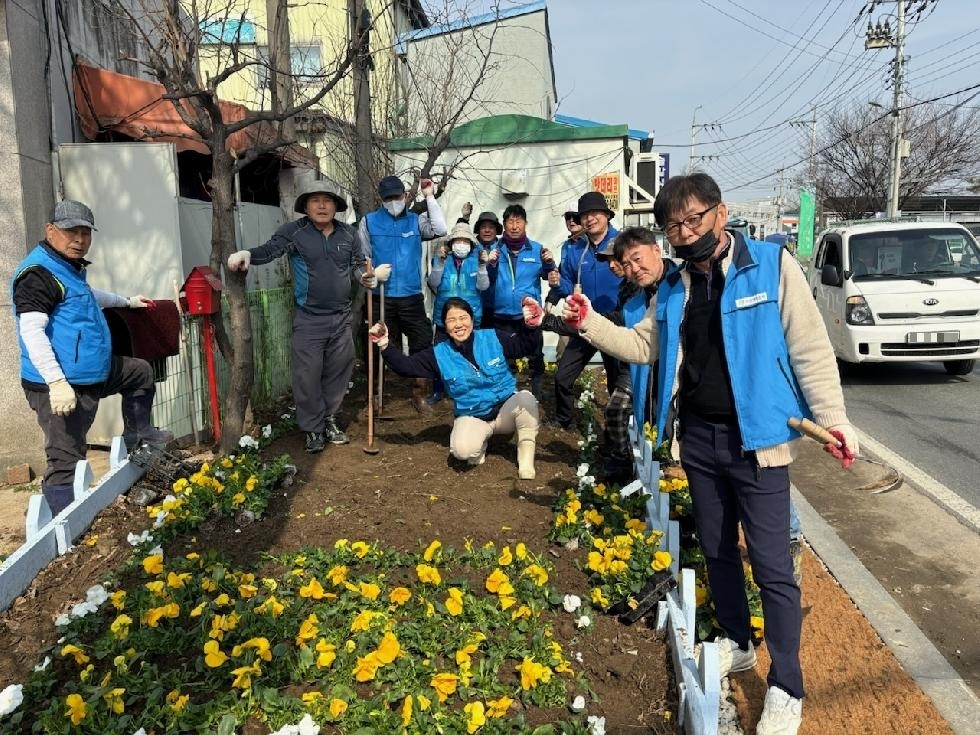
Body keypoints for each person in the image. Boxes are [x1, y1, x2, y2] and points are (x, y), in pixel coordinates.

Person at [562, 173, 858, 735]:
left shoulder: (770, 266)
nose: (684, 232)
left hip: (760, 442)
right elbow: (646, 346)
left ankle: (787, 687)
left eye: (694, 219)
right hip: (699, 438)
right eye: (673, 225)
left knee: (772, 567)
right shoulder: (673, 287)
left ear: (720, 214)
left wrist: (835, 419)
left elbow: (810, 348)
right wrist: (589, 323)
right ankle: (740, 644)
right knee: (718, 550)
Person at [11, 200, 172, 515]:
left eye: (85, 232)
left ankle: (139, 435)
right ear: (50, 230)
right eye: (71, 231)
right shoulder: (37, 275)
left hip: (92, 372)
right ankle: (65, 528)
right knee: (66, 457)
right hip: (61, 386)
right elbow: (31, 331)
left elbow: (87, 296)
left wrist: (126, 301)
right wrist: (56, 383)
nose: (79, 239)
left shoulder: (68, 269)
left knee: (139, 372)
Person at [227, 179, 371, 454]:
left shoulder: (348, 235)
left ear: (336, 206)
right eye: (315, 200)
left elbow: (356, 265)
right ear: (305, 205)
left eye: (327, 200)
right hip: (309, 318)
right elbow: (270, 250)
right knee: (307, 375)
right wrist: (248, 254)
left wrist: (364, 277)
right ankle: (312, 429)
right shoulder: (294, 232)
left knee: (339, 371)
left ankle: (328, 419)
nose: (321, 205)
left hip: (341, 318)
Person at [369, 297, 541, 479]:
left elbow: (524, 346)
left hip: (506, 410)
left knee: (526, 400)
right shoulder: (439, 354)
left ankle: (526, 459)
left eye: (463, 318)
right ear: (445, 325)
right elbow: (406, 366)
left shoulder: (492, 337)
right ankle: (480, 441)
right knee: (463, 451)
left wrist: (530, 326)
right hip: (474, 415)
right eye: (451, 320)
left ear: (472, 320)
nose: (458, 324)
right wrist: (384, 344)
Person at [359, 175, 447, 414]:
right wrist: (371, 275)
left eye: (397, 196)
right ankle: (375, 398)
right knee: (377, 346)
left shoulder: (416, 222)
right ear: (381, 199)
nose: (393, 201)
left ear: (405, 196)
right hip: (380, 296)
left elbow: (440, 228)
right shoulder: (369, 222)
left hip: (410, 296)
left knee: (422, 342)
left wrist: (429, 196)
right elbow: (363, 258)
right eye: (388, 198)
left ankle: (419, 395)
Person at [548, 191, 623, 430]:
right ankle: (565, 421)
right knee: (562, 376)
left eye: (595, 214)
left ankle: (618, 429)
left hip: (615, 325)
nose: (590, 219)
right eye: (585, 216)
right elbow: (569, 285)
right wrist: (558, 284)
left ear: (607, 216)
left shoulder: (623, 243)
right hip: (586, 324)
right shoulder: (576, 250)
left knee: (618, 383)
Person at [485, 204, 555, 399]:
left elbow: (551, 276)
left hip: (529, 316)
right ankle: (508, 395)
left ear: (525, 223)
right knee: (505, 357)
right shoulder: (495, 250)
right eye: (510, 222)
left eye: (518, 221)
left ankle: (537, 393)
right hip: (502, 314)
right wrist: (490, 264)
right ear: (504, 225)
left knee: (535, 355)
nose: (514, 226)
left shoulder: (537, 249)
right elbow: (485, 281)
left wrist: (550, 262)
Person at [425, 223, 491, 404]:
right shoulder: (442, 260)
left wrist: (483, 266)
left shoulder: (476, 260)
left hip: (470, 318)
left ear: (471, 243)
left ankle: (470, 389)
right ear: (451, 243)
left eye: (465, 241)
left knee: (471, 355)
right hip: (443, 317)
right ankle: (438, 391)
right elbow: (434, 282)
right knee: (440, 354)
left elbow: (483, 286)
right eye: (457, 240)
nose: (461, 244)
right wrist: (438, 262)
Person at [546, 203, 585, 364]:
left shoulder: (591, 243)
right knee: (563, 354)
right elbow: (562, 274)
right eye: (567, 217)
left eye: (575, 216)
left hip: (594, 310)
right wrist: (551, 299)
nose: (571, 221)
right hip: (571, 309)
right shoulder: (567, 246)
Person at [471, 211, 503, 327]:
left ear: (496, 230)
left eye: (491, 227)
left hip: (499, 305)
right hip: (474, 304)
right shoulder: (470, 247)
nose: (487, 230)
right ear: (478, 230)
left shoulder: (504, 247)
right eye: (483, 227)